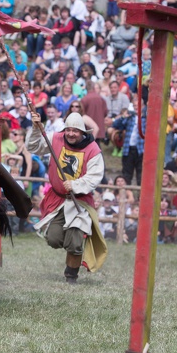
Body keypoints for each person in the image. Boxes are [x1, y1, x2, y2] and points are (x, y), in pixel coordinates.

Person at [25, 112, 106, 284]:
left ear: (82, 132)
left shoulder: (93, 149)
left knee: (75, 241)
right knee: (54, 239)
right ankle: (68, 245)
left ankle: (71, 275)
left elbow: (95, 176)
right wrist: (35, 128)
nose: (70, 134)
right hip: (58, 200)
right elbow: (34, 147)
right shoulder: (56, 138)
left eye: (75, 131)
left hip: (80, 202)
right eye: (68, 130)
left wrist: (76, 185)